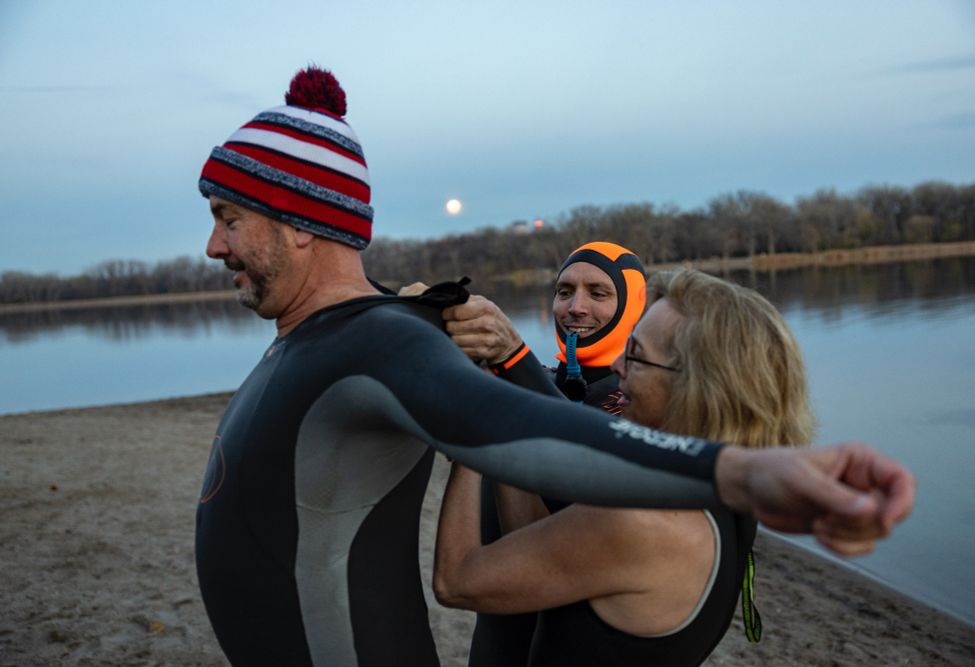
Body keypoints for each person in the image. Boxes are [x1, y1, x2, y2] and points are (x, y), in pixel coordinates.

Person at [194, 65, 915, 667]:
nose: (212, 246)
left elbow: (514, 435)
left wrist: (742, 470)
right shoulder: (350, 331)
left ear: (297, 222)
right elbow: (538, 459)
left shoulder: (380, 343)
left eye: (230, 218)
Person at [434, 269, 816, 665]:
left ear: (698, 388)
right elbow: (537, 542)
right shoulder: (716, 493)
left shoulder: (643, 520)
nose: (617, 365)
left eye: (635, 354)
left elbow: (458, 580)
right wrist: (502, 409)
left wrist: (471, 433)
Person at [435, 241, 648, 666]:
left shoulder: (644, 403)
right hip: (495, 641)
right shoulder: (531, 379)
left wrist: (512, 363)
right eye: (564, 291)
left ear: (634, 307)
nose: (575, 307)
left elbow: (563, 490)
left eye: (598, 293)